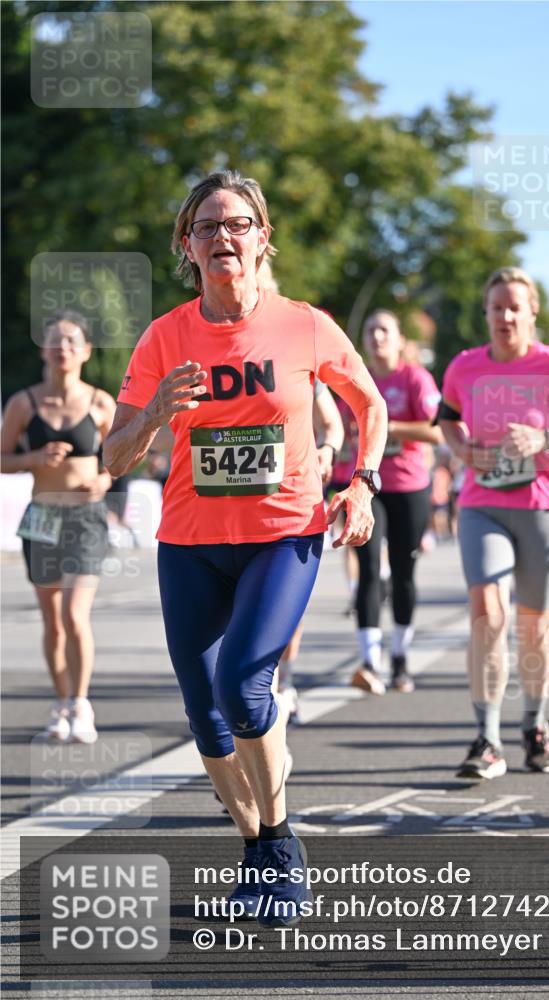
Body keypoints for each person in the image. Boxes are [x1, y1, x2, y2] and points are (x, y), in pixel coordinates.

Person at [103, 170, 386, 928]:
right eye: (205, 227)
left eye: (236, 224)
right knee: (206, 718)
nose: (221, 238)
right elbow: (111, 457)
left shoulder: (305, 325)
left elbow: (370, 404)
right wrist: (155, 414)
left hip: (281, 535)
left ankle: (282, 838)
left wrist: (360, 484)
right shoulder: (164, 336)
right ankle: (257, 848)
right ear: (185, 247)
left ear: (262, 237)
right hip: (190, 542)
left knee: (243, 688)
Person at [438, 267, 549, 779]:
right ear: (486, 313)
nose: (506, 316)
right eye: (497, 307)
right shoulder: (464, 367)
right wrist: (461, 447)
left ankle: (534, 722)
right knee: (488, 613)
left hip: (545, 508)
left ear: (532, 312)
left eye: (515, 307)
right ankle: (487, 738)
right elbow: (446, 416)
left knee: (535, 629)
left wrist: (547, 440)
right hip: (482, 504)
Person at [0, 311, 116, 743]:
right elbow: (1, 457)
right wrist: (32, 459)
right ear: (43, 350)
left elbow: (124, 453)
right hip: (43, 515)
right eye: (55, 341)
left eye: (71, 341)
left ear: (85, 351)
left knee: (73, 612)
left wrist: (105, 479)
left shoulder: (101, 403)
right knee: (52, 620)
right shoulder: (24, 403)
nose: (62, 348)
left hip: (86, 517)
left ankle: (81, 704)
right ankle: (61, 702)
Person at [350, 309, 442, 696]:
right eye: (370, 330)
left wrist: (385, 424)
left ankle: (400, 657)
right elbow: (337, 427)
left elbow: (437, 431)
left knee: (404, 571)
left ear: (400, 338)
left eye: (384, 330)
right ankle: (370, 661)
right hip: (366, 486)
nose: (377, 337)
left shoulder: (414, 378)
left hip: (408, 484)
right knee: (369, 568)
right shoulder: (354, 378)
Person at [276, 377, 345, 725]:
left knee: (285, 608)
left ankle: (283, 680)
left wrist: (328, 449)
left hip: (290, 506)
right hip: (224, 512)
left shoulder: (296, 356)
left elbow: (332, 423)